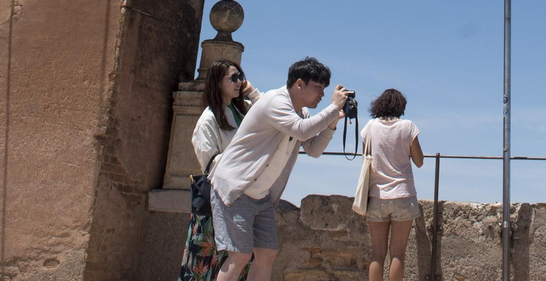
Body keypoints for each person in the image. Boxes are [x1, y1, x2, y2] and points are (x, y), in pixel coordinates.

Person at [209, 57, 347, 281]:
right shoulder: (277, 101)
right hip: (237, 188)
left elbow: (312, 148)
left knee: (267, 254)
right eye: (318, 87)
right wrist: (332, 108)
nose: (322, 94)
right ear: (299, 84)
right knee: (240, 256)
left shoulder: (300, 113)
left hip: (260, 195)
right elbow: (302, 131)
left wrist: (332, 123)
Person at [179, 60, 260, 281]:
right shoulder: (208, 119)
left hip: (240, 200)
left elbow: (269, 115)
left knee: (237, 265)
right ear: (217, 82)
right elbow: (211, 163)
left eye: (240, 76)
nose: (239, 82)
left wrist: (251, 92)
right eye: (233, 78)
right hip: (216, 202)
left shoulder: (242, 111)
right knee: (203, 267)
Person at [359, 89, 424, 281]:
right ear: (401, 107)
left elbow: (366, 159)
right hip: (403, 195)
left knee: (377, 254)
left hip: (377, 196)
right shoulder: (407, 127)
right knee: (398, 254)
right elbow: (419, 161)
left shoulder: (369, 128)